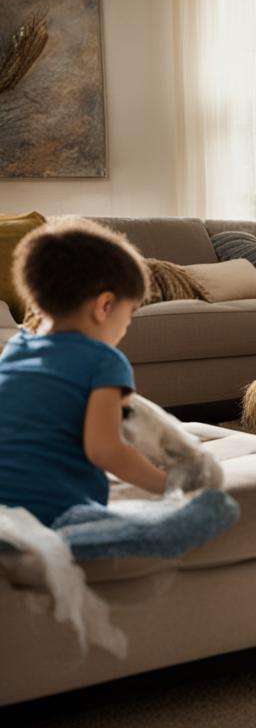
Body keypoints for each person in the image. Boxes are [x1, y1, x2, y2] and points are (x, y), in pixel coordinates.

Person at [0, 219, 168, 526]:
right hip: (57, 516)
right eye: (129, 315)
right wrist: (169, 486)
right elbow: (105, 450)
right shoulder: (104, 361)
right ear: (105, 306)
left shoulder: (15, 347)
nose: (126, 328)